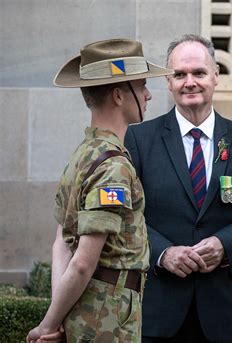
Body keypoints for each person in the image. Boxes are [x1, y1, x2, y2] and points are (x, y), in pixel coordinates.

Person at [124, 34, 232, 342]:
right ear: (168, 82)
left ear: (216, 77)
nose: (189, 82)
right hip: (158, 303)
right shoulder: (139, 140)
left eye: (199, 73)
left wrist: (224, 244)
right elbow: (127, 215)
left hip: (219, 307)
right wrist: (163, 253)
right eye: (179, 75)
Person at [26, 38, 173, 342]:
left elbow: (62, 243)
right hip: (107, 318)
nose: (148, 95)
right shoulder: (112, 166)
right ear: (119, 95)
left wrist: (58, 316)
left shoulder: (84, 154)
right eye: (142, 85)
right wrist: (48, 324)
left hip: (89, 312)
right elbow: (82, 261)